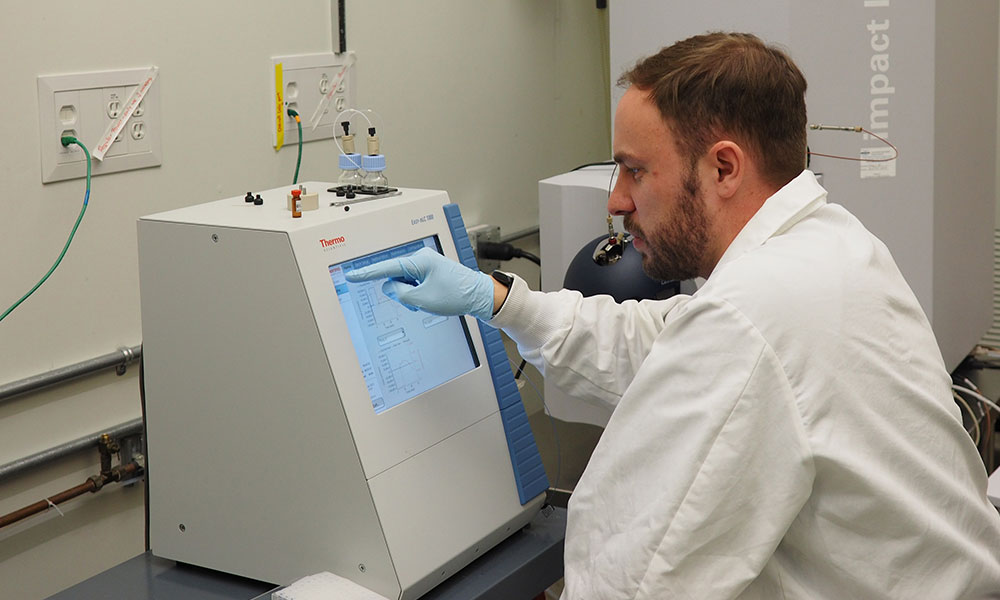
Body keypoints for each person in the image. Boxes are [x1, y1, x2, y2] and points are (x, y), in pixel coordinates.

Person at [347, 32, 1000, 599]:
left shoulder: (757, 315)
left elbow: (631, 578)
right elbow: (669, 340)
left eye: (635, 171)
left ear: (722, 167)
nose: (617, 200)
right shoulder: (830, 246)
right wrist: (500, 300)